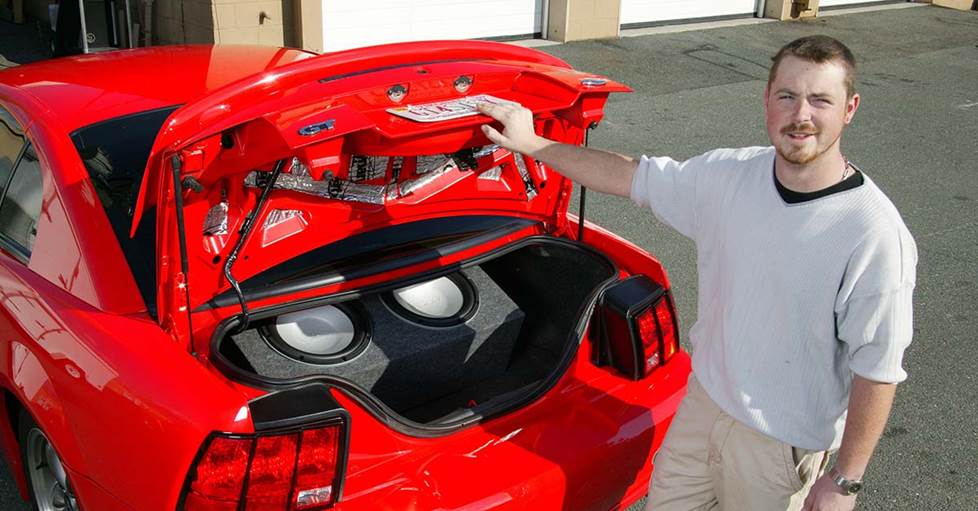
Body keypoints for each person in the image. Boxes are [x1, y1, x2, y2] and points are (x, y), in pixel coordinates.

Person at [477, 35, 916, 511]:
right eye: (787, 96)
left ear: (849, 108)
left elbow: (877, 371)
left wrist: (844, 482)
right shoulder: (728, 176)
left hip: (776, 448)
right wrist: (534, 143)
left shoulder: (871, 232)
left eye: (820, 100)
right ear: (767, 99)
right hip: (703, 409)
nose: (801, 115)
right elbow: (626, 174)